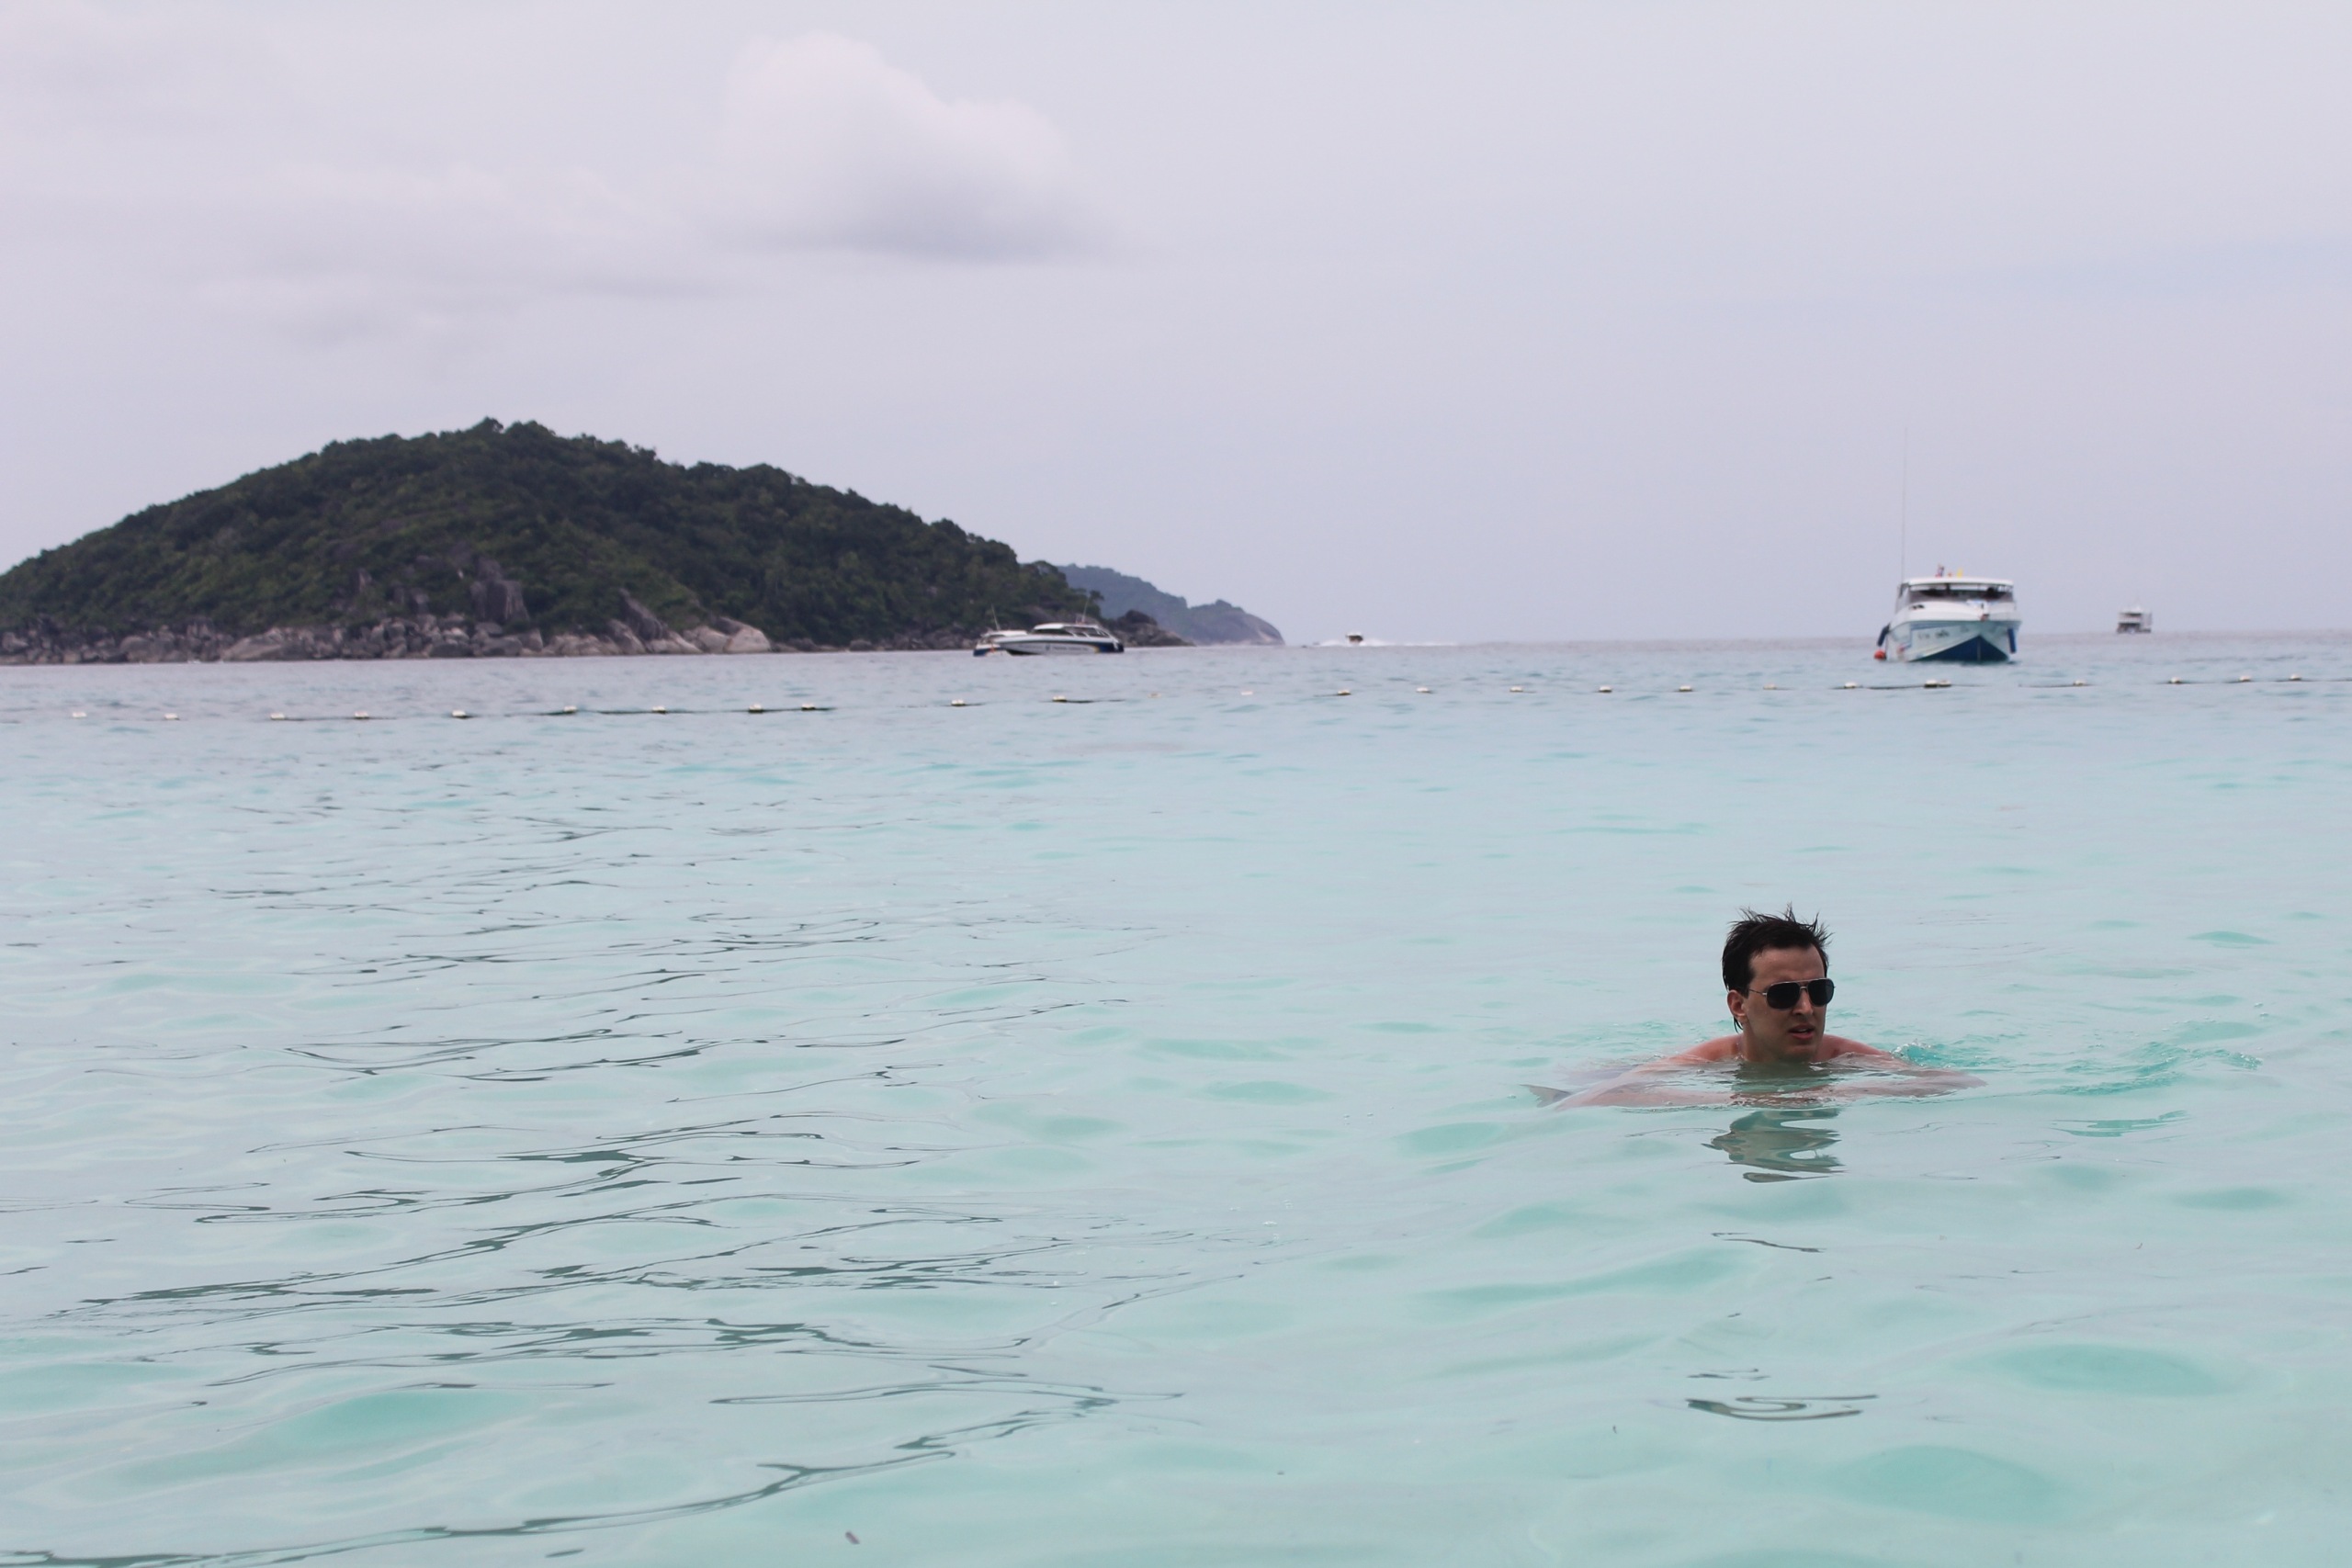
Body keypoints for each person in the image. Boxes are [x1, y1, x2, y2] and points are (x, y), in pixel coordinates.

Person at [1552, 908, 1979, 1107]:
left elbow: (1958, 1083)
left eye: (1819, 991)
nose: (1806, 1008)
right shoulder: (1705, 1063)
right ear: (1739, 1004)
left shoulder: (1847, 1058)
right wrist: (1741, 1100)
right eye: (1784, 994)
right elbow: (1584, 1100)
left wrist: (1828, 1093)